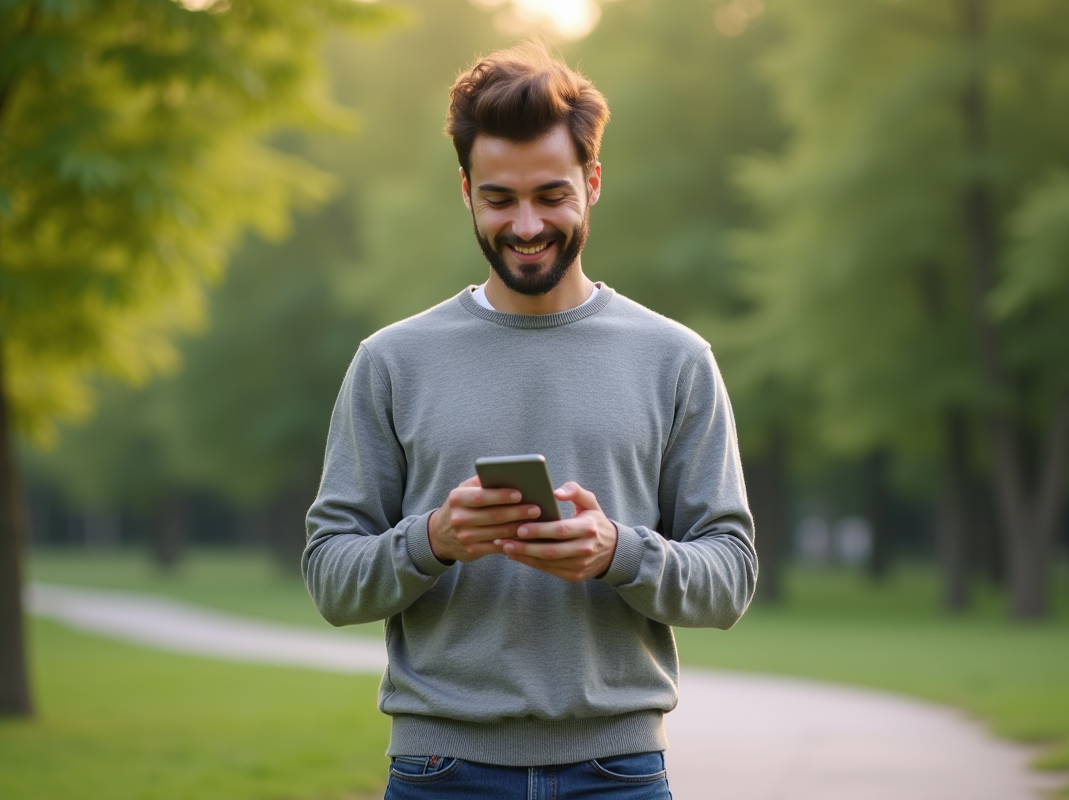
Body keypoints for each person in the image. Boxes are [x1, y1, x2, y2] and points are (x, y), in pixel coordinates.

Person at [304, 41, 756, 799]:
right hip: (438, 772)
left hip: (619, 773)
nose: (525, 224)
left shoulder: (676, 359)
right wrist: (432, 542)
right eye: (499, 198)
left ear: (594, 182)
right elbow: (330, 580)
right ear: (465, 191)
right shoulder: (391, 361)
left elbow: (731, 577)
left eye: (551, 195)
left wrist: (618, 551)